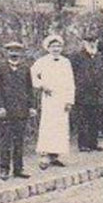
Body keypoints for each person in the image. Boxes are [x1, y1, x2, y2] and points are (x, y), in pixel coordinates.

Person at [30, 33, 76, 169]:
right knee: (48, 125)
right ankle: (45, 155)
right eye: (53, 46)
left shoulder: (66, 62)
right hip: (49, 99)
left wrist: (69, 101)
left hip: (62, 99)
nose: (56, 49)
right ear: (48, 48)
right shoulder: (42, 61)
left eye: (58, 46)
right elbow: (31, 75)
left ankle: (55, 155)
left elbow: (70, 82)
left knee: (60, 127)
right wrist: (42, 85)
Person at [0, 40, 35, 180]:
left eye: (17, 51)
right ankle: (4, 169)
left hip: (22, 110)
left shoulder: (25, 69)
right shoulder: (0, 69)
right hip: (6, 111)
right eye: (11, 51)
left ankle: (18, 169)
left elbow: (29, 89)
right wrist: (0, 106)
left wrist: (31, 106)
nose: (14, 53)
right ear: (7, 53)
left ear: (21, 53)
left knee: (19, 141)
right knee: (6, 141)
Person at [69, 32, 103, 153]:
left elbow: (102, 73)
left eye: (94, 42)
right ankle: (83, 144)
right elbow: (72, 74)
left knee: (95, 119)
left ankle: (93, 143)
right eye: (89, 42)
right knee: (83, 120)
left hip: (97, 93)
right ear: (84, 43)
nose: (91, 44)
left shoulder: (99, 56)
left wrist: (102, 89)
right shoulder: (77, 56)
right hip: (82, 93)